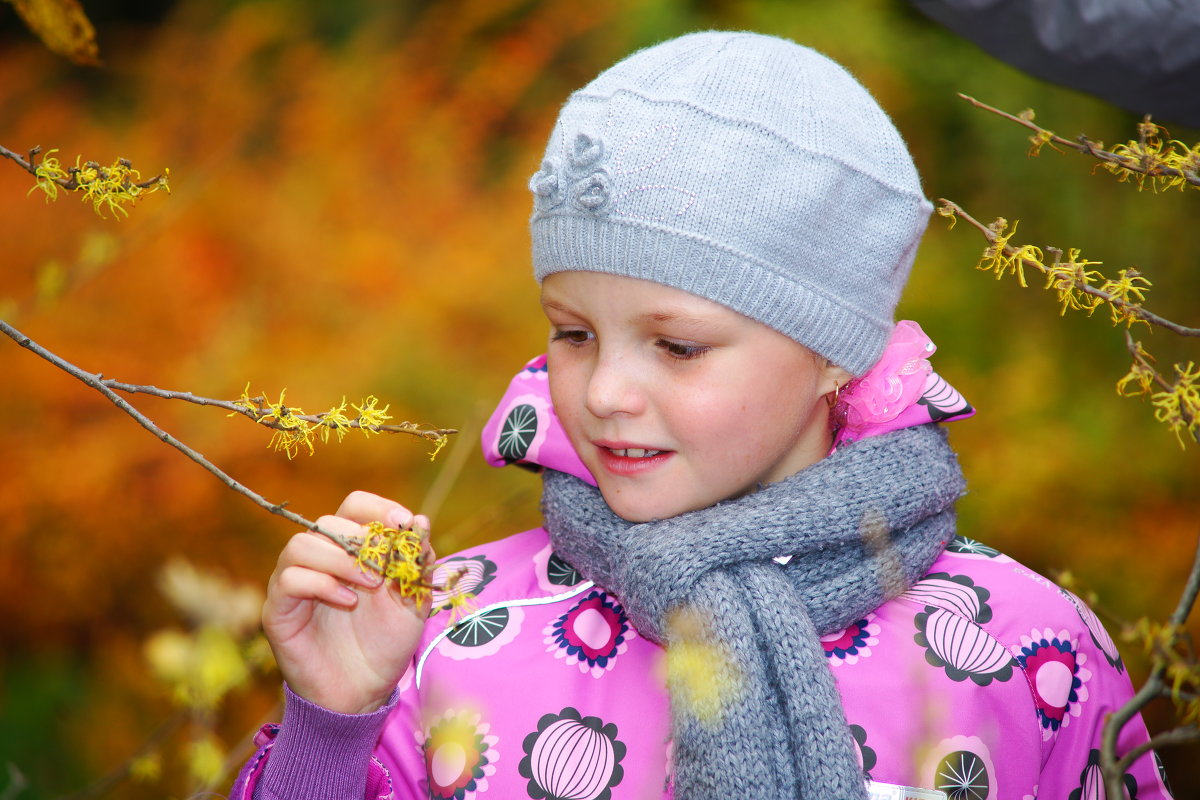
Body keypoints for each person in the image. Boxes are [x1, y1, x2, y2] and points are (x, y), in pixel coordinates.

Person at [232, 31, 1172, 800]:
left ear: (835, 351)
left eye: (676, 347)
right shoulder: (445, 631)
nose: (604, 393)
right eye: (572, 334)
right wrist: (330, 724)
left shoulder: (1022, 648)